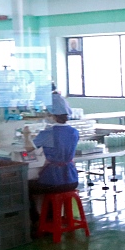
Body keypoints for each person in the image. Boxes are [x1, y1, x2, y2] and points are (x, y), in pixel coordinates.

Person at [24, 92, 80, 224]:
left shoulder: (48, 133)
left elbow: (29, 149)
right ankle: (52, 218)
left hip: (55, 180)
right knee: (48, 190)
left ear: (53, 116)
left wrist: (26, 135)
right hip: (72, 179)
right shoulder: (74, 131)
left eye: (48, 114)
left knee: (26, 187)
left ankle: (36, 221)